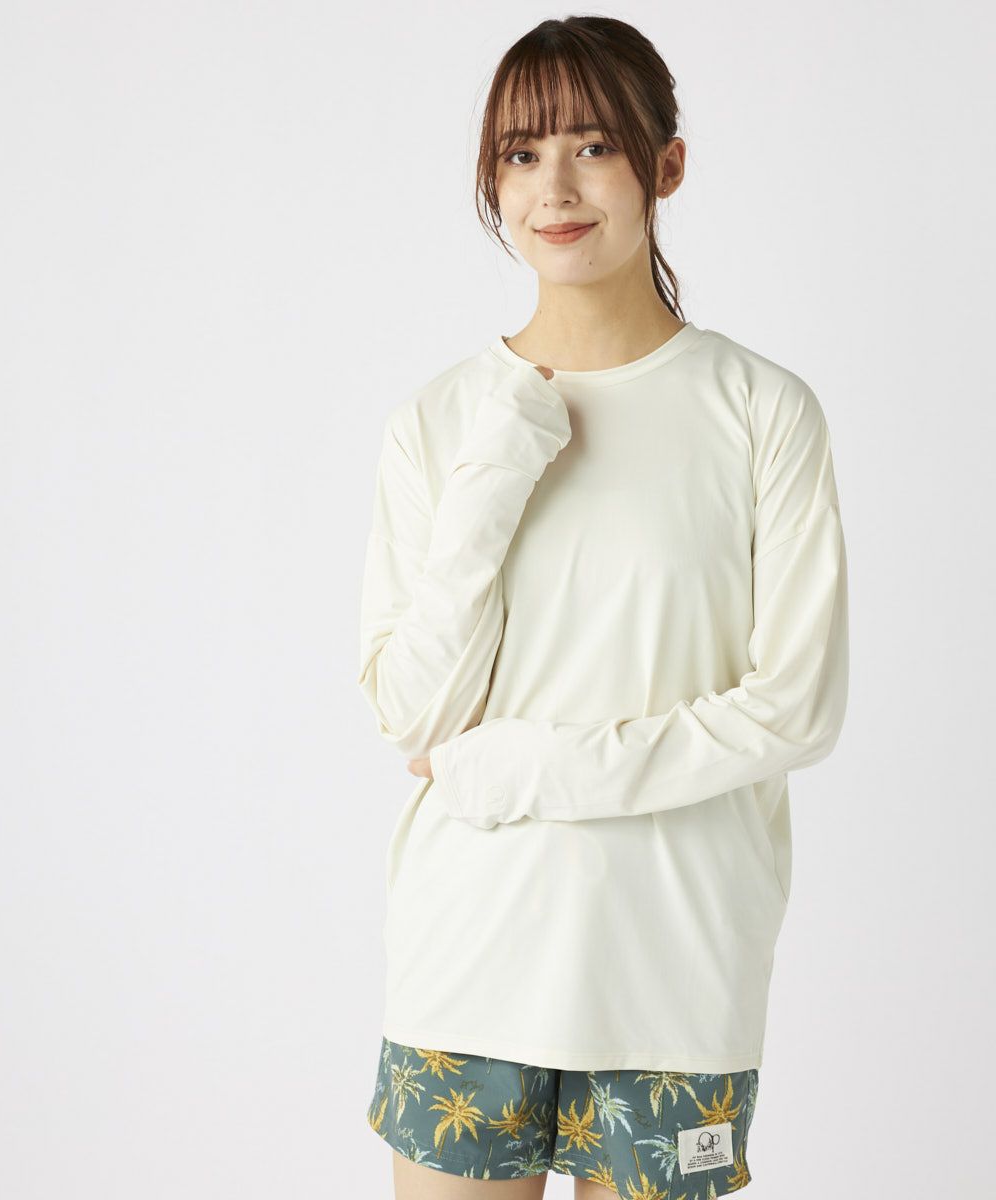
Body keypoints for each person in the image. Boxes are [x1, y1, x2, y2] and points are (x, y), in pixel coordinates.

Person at [356, 14, 848, 1199]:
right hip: (469, 955)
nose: (555, 188)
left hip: (674, 966)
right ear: (492, 180)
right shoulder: (441, 421)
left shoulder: (760, 410)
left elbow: (795, 708)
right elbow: (412, 713)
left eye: (594, 146)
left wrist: (527, 768)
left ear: (664, 164)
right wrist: (499, 465)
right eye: (521, 154)